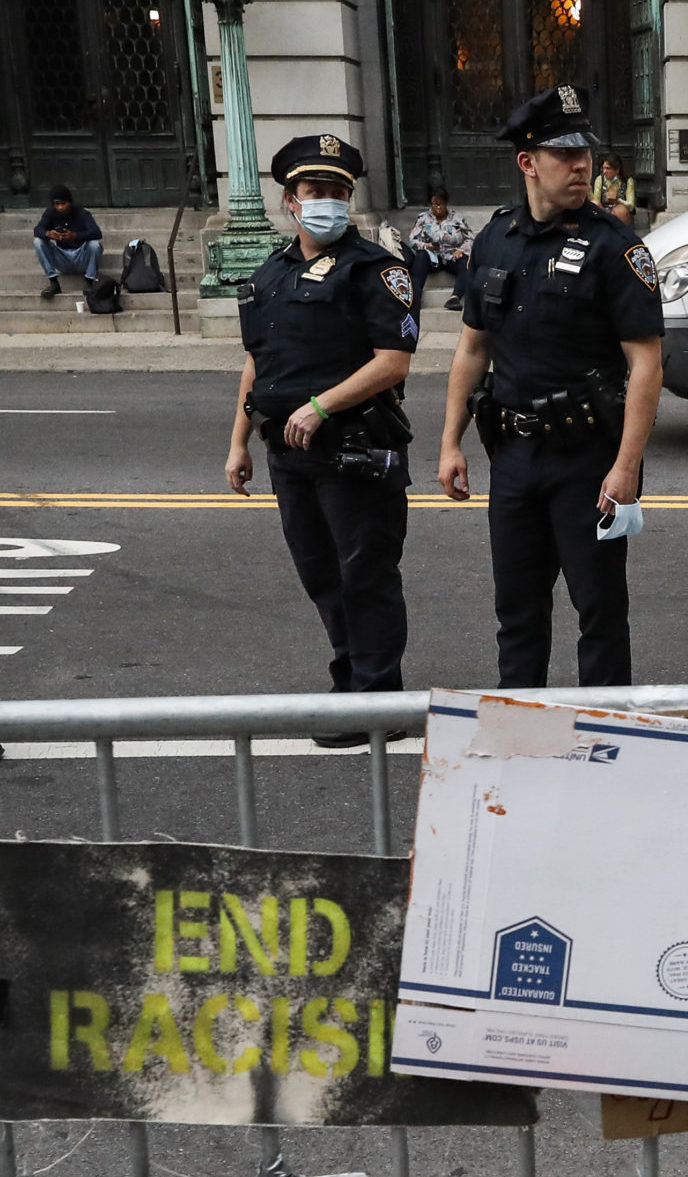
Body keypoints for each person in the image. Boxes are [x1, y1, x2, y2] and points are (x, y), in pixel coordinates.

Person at [437, 85, 663, 689]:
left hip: (587, 460)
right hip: (512, 457)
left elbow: (646, 365)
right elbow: (472, 348)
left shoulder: (616, 248)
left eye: (584, 152)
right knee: (516, 615)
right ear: (528, 162)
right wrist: (450, 442)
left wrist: (626, 468)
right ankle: (520, 746)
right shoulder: (494, 240)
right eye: (564, 154)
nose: (582, 165)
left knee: (600, 613)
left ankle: (604, 742)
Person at [225, 135, 419, 747]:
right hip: (289, 453)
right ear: (290, 200)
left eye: (339, 192)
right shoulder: (271, 273)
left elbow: (394, 361)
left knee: (366, 573)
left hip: (354, 448)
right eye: (316, 192)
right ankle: (349, 678)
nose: (328, 202)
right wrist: (239, 444)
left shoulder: (376, 270)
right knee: (320, 575)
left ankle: (378, 694)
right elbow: (256, 365)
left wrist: (320, 406)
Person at [405, 188, 472, 311]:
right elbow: (412, 240)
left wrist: (461, 250)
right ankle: (414, 298)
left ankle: (455, 297)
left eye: (441, 203)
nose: (438, 207)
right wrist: (426, 246)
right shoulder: (423, 219)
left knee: (467, 263)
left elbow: (470, 239)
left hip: (452, 256)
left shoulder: (457, 219)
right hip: (432, 257)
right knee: (420, 257)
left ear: (446, 203)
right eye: (435, 204)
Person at [32, 184, 102, 299]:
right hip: (62, 258)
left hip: (81, 257)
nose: (60, 207)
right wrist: (48, 234)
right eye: (57, 204)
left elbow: (97, 233)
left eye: (63, 204)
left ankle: (89, 281)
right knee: (38, 242)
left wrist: (75, 236)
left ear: (69, 202)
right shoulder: (50, 213)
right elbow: (37, 229)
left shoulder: (82, 213)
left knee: (95, 245)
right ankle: (54, 283)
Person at [591, 153, 638, 227]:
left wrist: (618, 200)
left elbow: (631, 206)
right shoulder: (600, 179)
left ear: (617, 170)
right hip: (604, 211)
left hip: (621, 214)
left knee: (619, 211)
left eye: (608, 168)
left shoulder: (627, 181)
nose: (604, 171)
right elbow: (596, 202)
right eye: (603, 168)